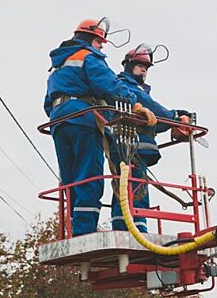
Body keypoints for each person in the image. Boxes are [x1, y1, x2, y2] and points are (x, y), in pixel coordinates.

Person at [44, 20, 156, 236]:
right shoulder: (88, 56)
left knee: (70, 178)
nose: (101, 46)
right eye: (98, 41)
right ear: (86, 38)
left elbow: (47, 103)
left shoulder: (58, 65)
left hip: (58, 121)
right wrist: (134, 104)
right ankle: (85, 231)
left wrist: (64, 113)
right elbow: (108, 85)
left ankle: (76, 228)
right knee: (89, 174)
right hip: (84, 119)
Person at [110, 44, 191, 233]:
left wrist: (172, 122)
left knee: (126, 189)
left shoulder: (138, 90)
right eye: (140, 66)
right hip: (129, 146)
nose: (144, 70)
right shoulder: (124, 85)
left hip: (137, 146)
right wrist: (174, 116)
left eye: (146, 68)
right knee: (134, 191)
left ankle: (125, 228)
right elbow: (149, 106)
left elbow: (153, 121)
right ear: (129, 66)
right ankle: (136, 231)